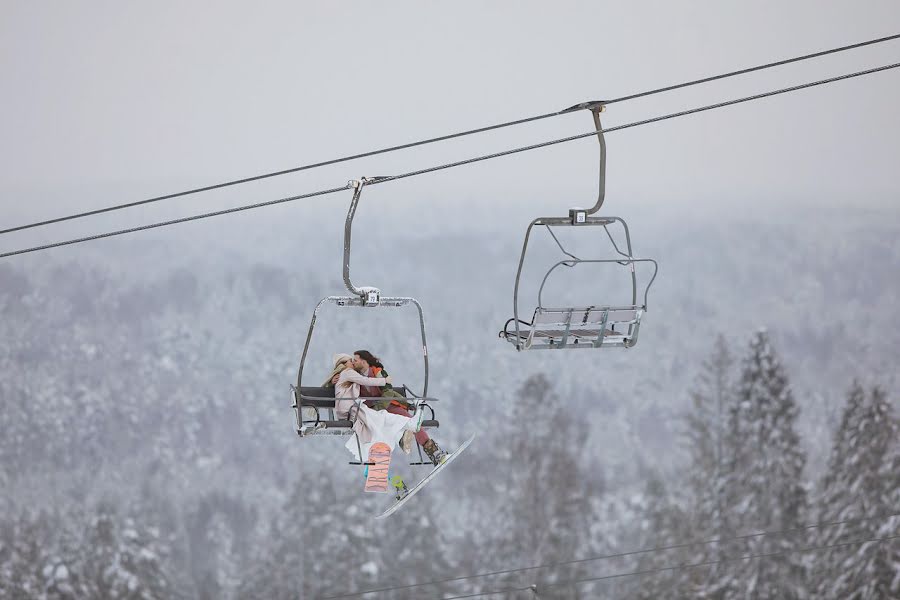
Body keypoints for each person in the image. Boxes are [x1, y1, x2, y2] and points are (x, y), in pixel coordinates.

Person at [350, 349, 449, 467]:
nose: (353, 362)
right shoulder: (356, 377)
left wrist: (382, 407)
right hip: (373, 412)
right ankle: (379, 461)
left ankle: (435, 453)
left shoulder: (378, 372)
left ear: (364, 361)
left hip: (388, 406)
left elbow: (388, 392)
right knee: (381, 428)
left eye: (355, 360)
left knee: (410, 422)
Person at [326, 354, 424, 464]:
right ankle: (406, 428)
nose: (352, 362)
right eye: (350, 361)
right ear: (343, 364)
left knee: (380, 417)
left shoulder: (346, 374)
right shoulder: (347, 372)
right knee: (380, 418)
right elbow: (365, 380)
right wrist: (384, 380)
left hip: (351, 409)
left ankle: (401, 435)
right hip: (351, 410)